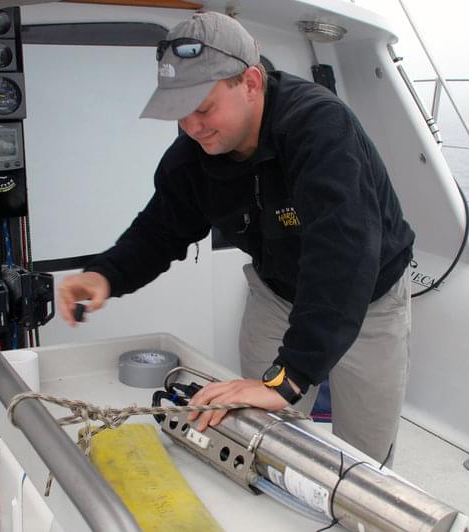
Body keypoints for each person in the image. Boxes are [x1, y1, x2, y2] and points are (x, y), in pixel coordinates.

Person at [57, 11, 415, 464]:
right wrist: (105, 275)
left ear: (249, 82)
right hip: (276, 294)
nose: (192, 127)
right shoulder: (194, 153)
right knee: (265, 439)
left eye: (203, 108)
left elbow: (343, 255)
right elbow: (162, 227)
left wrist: (291, 377)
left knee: (364, 459)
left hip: (370, 302)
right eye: (179, 112)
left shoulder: (321, 128)